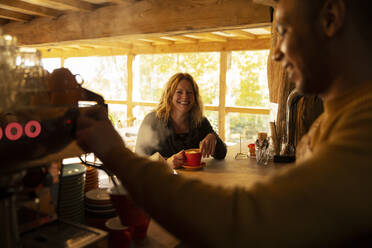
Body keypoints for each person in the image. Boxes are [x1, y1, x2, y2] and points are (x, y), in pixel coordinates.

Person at [76, 0, 372, 247]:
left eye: (283, 31)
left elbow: (243, 222)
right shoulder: (332, 121)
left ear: (330, 20)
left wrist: (116, 154)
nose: (276, 52)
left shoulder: (364, 128)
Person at [135, 72, 226, 168]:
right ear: (169, 95)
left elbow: (222, 153)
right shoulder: (152, 120)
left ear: (195, 97)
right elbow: (138, 161)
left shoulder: (199, 121)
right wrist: (166, 164)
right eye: (179, 92)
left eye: (189, 92)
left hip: (190, 181)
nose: (185, 96)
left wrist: (213, 137)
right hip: (160, 180)